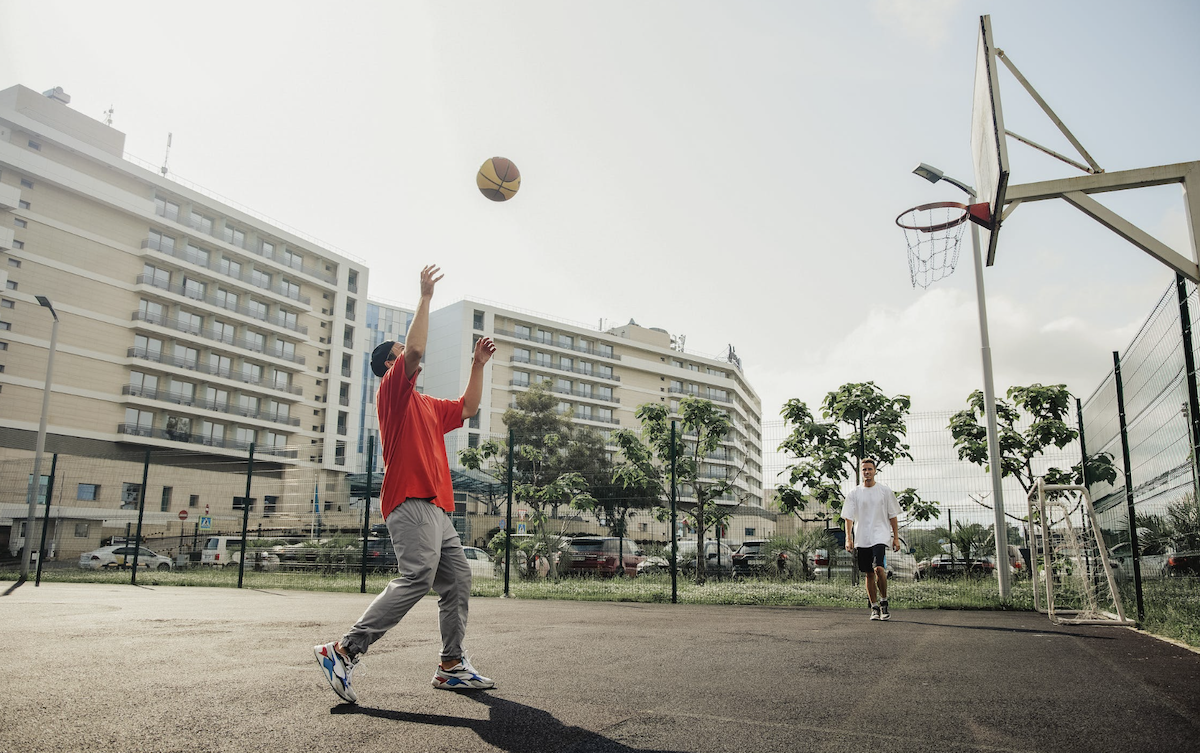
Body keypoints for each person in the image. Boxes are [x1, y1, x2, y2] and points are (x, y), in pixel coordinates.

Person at [314, 264, 497, 703]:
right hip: (409, 500)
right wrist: (426, 297)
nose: (409, 354)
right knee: (417, 577)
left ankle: (451, 665)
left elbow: (469, 407)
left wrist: (477, 363)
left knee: (456, 581)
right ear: (390, 366)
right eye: (399, 352)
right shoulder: (392, 392)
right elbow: (414, 349)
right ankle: (343, 649)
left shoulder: (427, 404)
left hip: (436, 508)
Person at [841, 458, 901, 621]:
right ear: (862, 473)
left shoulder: (884, 491)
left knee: (879, 569)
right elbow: (848, 518)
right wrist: (848, 538)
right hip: (862, 537)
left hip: (880, 535)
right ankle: (874, 607)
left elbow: (892, 515)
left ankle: (884, 601)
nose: (867, 472)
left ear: (875, 471)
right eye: (864, 470)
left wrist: (896, 538)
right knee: (868, 573)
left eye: (869, 469)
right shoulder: (854, 493)